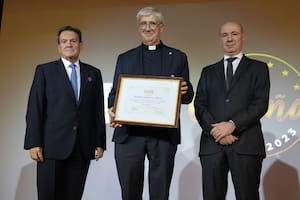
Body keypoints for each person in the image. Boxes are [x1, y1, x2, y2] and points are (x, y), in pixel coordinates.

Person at [108, 7, 194, 200]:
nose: (148, 28)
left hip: (162, 136)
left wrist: (185, 90)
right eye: (143, 24)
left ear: (161, 27)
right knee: (129, 192)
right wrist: (113, 110)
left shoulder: (178, 57)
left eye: (152, 23)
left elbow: (187, 97)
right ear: (139, 28)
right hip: (128, 136)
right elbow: (115, 93)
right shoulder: (125, 58)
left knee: (160, 193)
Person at [24, 25, 106, 200]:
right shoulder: (44, 71)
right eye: (64, 41)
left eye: (73, 41)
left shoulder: (93, 73)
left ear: (81, 45)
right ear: (58, 46)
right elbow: (34, 108)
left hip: (82, 147)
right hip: (50, 148)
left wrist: (100, 142)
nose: (69, 44)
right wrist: (33, 142)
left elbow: (97, 111)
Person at [194, 21, 270, 200]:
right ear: (220, 39)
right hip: (212, 145)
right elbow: (199, 105)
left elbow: (260, 104)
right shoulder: (208, 71)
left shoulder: (258, 68)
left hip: (246, 145)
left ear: (243, 37)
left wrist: (232, 125)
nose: (229, 39)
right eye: (225, 35)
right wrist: (217, 131)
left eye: (234, 34)